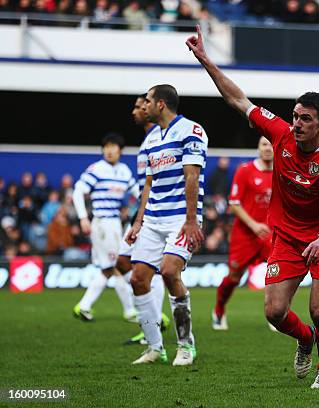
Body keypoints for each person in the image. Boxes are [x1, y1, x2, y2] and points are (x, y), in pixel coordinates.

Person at [186, 25, 319, 388]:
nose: (296, 123)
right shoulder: (279, 133)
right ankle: (305, 339)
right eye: (295, 116)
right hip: (288, 237)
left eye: (306, 119)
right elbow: (238, 100)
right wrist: (205, 60)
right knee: (275, 311)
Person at [127, 84, 206, 366]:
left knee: (170, 272)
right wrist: (138, 222)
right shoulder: (150, 140)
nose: (143, 105)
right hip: (153, 220)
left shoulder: (191, 131)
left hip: (180, 220)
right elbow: (148, 184)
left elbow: (191, 177)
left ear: (160, 104)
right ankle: (155, 347)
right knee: (137, 279)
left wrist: (190, 221)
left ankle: (185, 345)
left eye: (147, 101)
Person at [118, 94, 170, 346]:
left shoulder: (159, 137)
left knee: (146, 270)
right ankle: (152, 318)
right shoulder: (149, 139)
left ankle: (152, 323)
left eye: (140, 106)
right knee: (124, 262)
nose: (135, 111)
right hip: (144, 214)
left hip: (155, 215)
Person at [72, 134, 140, 322]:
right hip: (102, 223)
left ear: (120, 150)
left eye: (113, 146)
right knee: (117, 266)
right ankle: (129, 310)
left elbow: (139, 193)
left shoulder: (124, 171)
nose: (109, 150)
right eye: (106, 146)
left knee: (109, 268)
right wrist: (83, 218)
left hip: (115, 224)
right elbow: (78, 192)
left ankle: (84, 307)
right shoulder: (97, 169)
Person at [213, 136, 273, 330]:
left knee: (278, 274)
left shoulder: (282, 173)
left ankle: (276, 314)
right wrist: (254, 225)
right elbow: (234, 203)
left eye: (272, 145)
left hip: (270, 233)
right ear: (258, 148)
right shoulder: (245, 170)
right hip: (245, 233)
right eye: (264, 144)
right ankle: (219, 309)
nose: (268, 149)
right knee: (234, 276)